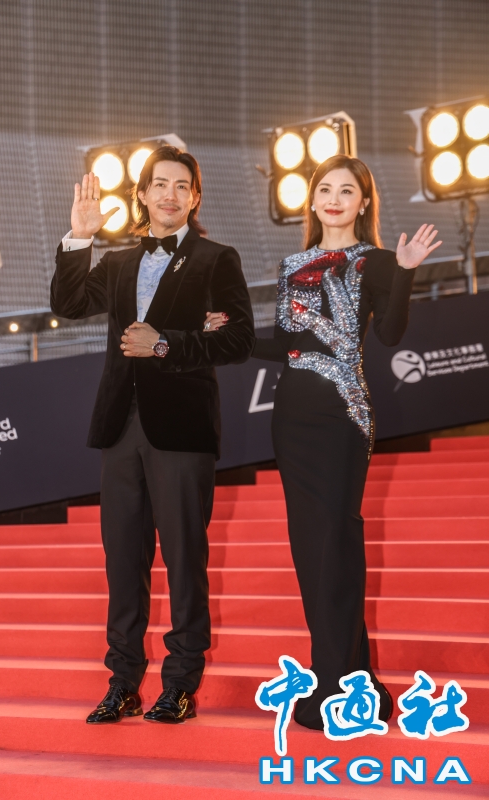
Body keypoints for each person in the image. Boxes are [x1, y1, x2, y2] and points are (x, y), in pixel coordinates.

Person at [205, 154, 441, 730]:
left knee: (337, 541)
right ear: (311, 200)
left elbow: (390, 334)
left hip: (343, 415)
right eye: (325, 189)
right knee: (311, 548)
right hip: (293, 417)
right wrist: (230, 336)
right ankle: (345, 678)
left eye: (347, 191)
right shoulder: (293, 264)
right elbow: (289, 343)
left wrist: (406, 270)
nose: (334, 199)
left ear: (364, 202)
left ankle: (342, 684)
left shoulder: (377, 260)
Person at [50, 145, 254, 725]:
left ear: (195, 197)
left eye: (181, 185)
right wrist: (80, 237)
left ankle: (181, 683)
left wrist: (164, 343)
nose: (170, 194)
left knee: (185, 557)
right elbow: (67, 303)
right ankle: (123, 682)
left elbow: (238, 340)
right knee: (123, 560)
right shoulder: (117, 262)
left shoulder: (217, 258)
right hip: (120, 427)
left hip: (182, 429)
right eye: (159, 184)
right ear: (141, 194)